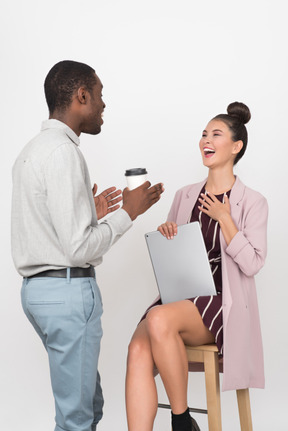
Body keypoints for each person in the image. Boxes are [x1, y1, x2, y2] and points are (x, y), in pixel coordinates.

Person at [11, 60, 164, 431]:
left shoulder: (32, 149)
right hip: (65, 294)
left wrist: (90, 215)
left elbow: (52, 230)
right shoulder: (64, 153)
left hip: (38, 292)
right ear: (82, 96)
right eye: (99, 96)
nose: (103, 105)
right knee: (77, 419)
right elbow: (80, 250)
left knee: (87, 407)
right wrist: (128, 212)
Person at [125, 102, 268, 431]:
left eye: (216, 134)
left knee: (157, 316)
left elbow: (253, 263)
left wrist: (226, 221)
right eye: (204, 134)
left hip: (221, 303)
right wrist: (167, 235)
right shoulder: (185, 195)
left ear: (236, 146)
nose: (206, 139)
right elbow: (172, 255)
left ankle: (180, 420)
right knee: (137, 348)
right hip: (182, 296)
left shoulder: (253, 201)